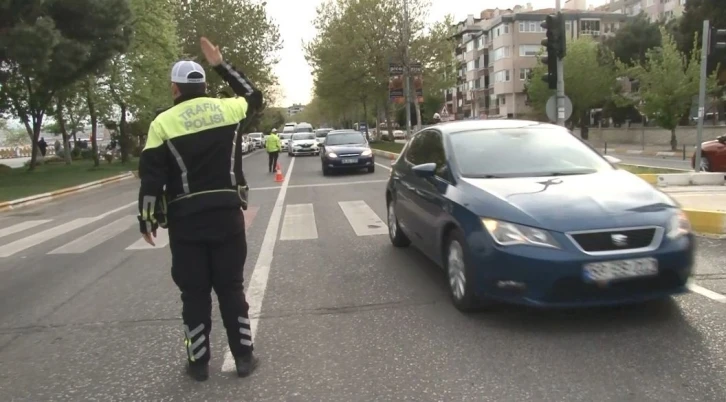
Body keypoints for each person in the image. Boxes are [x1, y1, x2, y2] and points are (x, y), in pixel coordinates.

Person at [136, 37, 262, 382]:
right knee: (231, 289)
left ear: (174, 90)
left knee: (194, 295)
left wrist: (146, 219)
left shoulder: (162, 123)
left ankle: (198, 364)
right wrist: (222, 64)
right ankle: (244, 358)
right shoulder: (228, 109)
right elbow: (255, 96)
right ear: (205, 85)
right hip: (227, 216)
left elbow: (151, 177)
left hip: (186, 222)